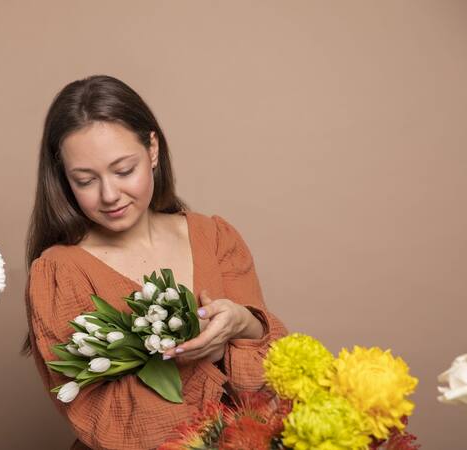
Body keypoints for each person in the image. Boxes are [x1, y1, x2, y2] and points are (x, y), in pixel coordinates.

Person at [23, 75, 287, 450]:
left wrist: (243, 323)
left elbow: (273, 384)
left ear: (152, 150)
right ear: (64, 179)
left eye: (124, 170)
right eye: (85, 180)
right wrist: (214, 355)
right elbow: (114, 425)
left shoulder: (214, 237)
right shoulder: (59, 275)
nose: (109, 195)